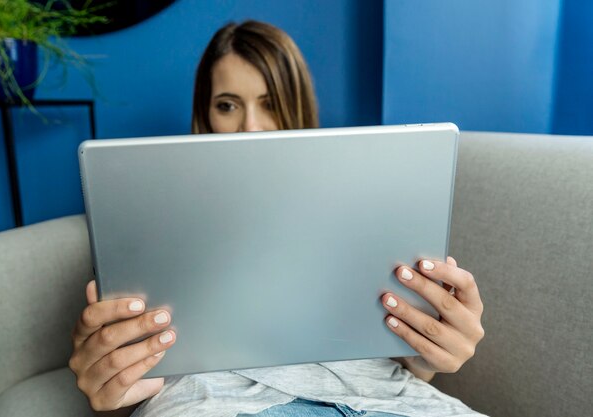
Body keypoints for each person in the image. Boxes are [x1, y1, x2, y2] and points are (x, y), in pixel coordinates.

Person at [69, 21, 485, 417]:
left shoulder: (365, 200)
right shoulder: (150, 219)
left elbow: (399, 347)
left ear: (297, 106)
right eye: (228, 105)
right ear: (205, 115)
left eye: (269, 104)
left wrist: (428, 351)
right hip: (220, 404)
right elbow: (130, 378)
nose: (251, 127)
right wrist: (112, 379)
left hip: (390, 399)